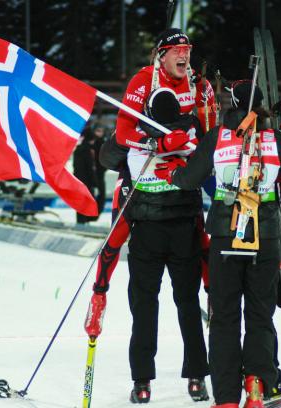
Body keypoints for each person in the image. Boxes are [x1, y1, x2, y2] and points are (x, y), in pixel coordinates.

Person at [155, 81, 281, 408]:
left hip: (226, 236)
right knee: (260, 314)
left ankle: (226, 398)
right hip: (266, 237)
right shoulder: (278, 140)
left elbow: (188, 179)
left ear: (234, 103)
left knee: (225, 317)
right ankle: (256, 388)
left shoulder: (217, 137)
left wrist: (171, 172)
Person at [85, 86, 213, 403]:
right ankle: (197, 379)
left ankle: (142, 383)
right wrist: (211, 282)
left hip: (145, 235)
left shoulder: (136, 140)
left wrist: (100, 290)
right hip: (185, 234)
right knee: (188, 307)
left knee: (144, 311)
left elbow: (107, 156)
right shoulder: (192, 136)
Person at [73, 125, 99, 224]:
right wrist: (95, 183)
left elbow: (75, 166)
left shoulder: (77, 150)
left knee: (79, 202)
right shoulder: (88, 151)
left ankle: (80, 221)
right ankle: (86, 220)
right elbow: (90, 169)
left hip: (78, 179)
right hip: (87, 181)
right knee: (87, 202)